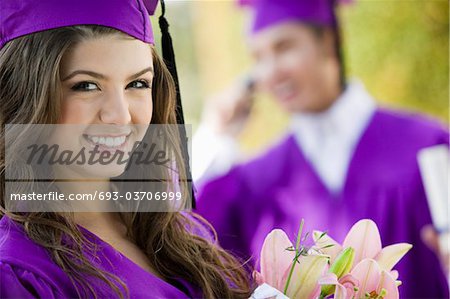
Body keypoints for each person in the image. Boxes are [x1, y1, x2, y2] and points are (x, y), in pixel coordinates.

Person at [195, 0, 450, 297]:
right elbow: (184, 241)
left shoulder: (426, 144)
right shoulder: (254, 181)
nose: (271, 73)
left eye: (284, 47)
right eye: (258, 58)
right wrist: (214, 137)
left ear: (329, 41)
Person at [0, 0, 254, 298]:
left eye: (137, 83)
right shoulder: (17, 270)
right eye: (86, 86)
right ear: (26, 97)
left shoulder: (179, 233)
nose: (120, 115)